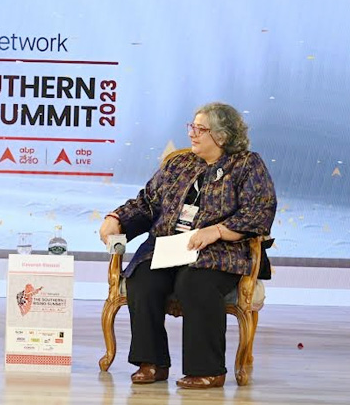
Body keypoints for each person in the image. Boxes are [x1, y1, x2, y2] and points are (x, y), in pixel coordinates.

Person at [99, 102, 276, 389]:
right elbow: (147, 203)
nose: (192, 133)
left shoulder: (247, 165)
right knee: (142, 280)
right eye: (191, 127)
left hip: (220, 251)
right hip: (168, 247)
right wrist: (116, 219)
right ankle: (152, 363)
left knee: (194, 283)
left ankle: (208, 370)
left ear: (222, 136)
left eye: (200, 129)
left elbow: (260, 210)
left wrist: (217, 231)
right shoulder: (178, 164)